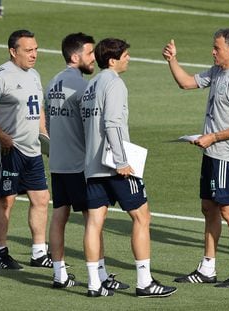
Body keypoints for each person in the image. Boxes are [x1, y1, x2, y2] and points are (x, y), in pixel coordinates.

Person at [81, 37, 177, 298]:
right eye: (125, 55)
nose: (128, 58)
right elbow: (112, 124)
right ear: (112, 60)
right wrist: (123, 162)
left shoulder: (91, 86)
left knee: (94, 223)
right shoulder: (114, 83)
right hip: (115, 165)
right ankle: (145, 282)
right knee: (142, 217)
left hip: (92, 165)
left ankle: (93, 284)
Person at [162, 28, 229, 288]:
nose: (212, 51)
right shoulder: (217, 72)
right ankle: (207, 268)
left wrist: (213, 137)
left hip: (225, 154)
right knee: (208, 207)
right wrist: (172, 60)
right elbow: (186, 82)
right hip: (211, 153)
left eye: (217, 48)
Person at [45, 32, 129, 291]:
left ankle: (60, 275)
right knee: (94, 221)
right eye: (90, 53)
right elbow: (91, 126)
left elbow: (47, 123)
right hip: (80, 163)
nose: (94, 58)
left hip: (57, 161)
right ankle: (100, 275)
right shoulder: (83, 87)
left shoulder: (51, 84)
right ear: (75, 56)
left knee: (59, 216)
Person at [0, 29, 53, 270]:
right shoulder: (1, 75)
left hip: (32, 150)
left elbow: (38, 109)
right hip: (7, 151)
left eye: (36, 49)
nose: (34, 54)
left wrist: (44, 135)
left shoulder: (35, 75)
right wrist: (1, 135)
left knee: (41, 198)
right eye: (28, 50)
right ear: (13, 51)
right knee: (6, 200)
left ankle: (39, 253)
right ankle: (1, 254)